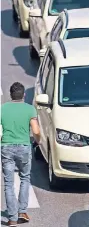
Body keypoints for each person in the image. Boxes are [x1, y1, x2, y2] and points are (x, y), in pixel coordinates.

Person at [1, 82, 41, 227]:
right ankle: (22, 212)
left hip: (6, 148)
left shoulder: (2, 109)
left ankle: (12, 219)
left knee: (8, 183)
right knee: (25, 178)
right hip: (24, 147)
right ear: (23, 95)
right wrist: (38, 141)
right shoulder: (30, 109)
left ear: (11, 95)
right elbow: (36, 131)